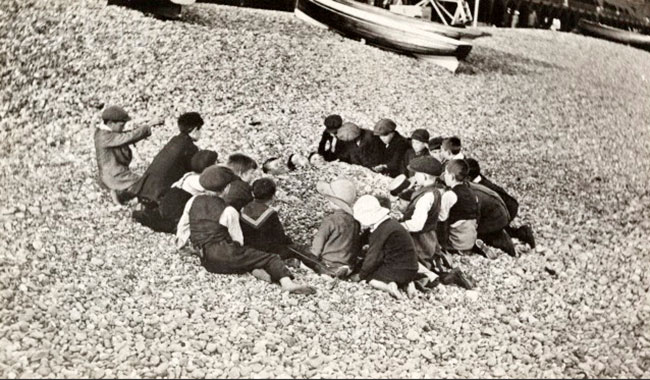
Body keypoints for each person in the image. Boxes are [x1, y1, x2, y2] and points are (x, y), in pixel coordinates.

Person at [175, 166, 315, 294]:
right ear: (227, 188)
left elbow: (183, 227)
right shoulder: (229, 211)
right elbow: (238, 240)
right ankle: (287, 283)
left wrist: (183, 246)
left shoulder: (193, 201)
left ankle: (253, 269)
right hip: (224, 255)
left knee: (245, 259)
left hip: (206, 259)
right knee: (270, 258)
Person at [240, 178, 334, 274]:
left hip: (250, 251)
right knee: (298, 249)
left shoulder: (243, 209)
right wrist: (290, 243)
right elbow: (280, 237)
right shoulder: (269, 214)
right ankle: (324, 270)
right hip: (269, 251)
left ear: (253, 193)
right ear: (273, 196)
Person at [132, 150, 218, 233]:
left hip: (168, 203)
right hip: (175, 210)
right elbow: (215, 192)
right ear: (207, 168)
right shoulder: (198, 180)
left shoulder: (190, 174)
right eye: (215, 163)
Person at [352, 195, 420, 299]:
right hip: (411, 268)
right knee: (384, 269)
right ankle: (407, 283)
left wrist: (361, 275)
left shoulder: (380, 231)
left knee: (370, 278)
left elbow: (373, 257)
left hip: (399, 269)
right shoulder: (390, 224)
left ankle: (389, 287)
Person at [131, 112, 203, 209]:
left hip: (145, 186)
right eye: (200, 129)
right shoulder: (190, 147)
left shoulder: (175, 140)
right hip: (160, 192)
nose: (201, 133)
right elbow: (192, 169)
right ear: (194, 130)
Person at [94, 105, 163, 205]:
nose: (123, 128)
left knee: (142, 184)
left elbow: (126, 134)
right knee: (147, 186)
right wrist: (149, 125)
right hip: (115, 176)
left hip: (113, 173)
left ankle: (120, 195)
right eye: (121, 125)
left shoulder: (104, 133)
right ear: (110, 123)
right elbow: (128, 136)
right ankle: (125, 196)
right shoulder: (104, 137)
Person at [466, 158, 535, 248]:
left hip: (504, 209)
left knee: (484, 232)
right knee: (496, 225)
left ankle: (504, 239)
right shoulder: (478, 177)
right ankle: (521, 233)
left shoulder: (478, 187)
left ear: (469, 177)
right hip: (508, 204)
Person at [311, 178, 362, 277]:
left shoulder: (330, 220)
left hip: (328, 263)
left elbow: (317, 246)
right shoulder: (356, 222)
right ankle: (345, 269)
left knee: (302, 257)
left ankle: (328, 271)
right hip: (347, 262)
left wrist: (310, 259)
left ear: (334, 202)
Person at [400, 156, 444, 269]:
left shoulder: (426, 197)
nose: (414, 176)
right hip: (429, 238)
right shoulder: (435, 191)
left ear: (424, 176)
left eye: (416, 174)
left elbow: (416, 225)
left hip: (420, 241)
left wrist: (399, 225)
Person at [438, 159, 479, 253]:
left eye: (446, 173)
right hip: (470, 239)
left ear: (452, 177)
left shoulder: (450, 195)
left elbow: (441, 219)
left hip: (456, 242)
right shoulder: (472, 193)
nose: (444, 176)